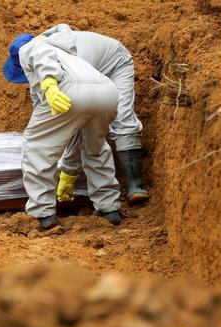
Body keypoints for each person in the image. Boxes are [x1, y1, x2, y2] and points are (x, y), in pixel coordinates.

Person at [3, 30, 122, 229]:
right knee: (95, 148)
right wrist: (69, 172)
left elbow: (39, 53)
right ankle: (109, 208)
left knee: (37, 148)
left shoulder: (29, 47)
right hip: (108, 93)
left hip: (67, 89)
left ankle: (42, 213)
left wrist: (50, 83)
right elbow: (72, 132)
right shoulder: (68, 55)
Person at [45, 24, 149, 205]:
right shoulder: (47, 60)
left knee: (121, 116)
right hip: (92, 71)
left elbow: (78, 122)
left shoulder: (64, 65)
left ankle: (135, 186)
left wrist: (69, 171)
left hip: (116, 63)